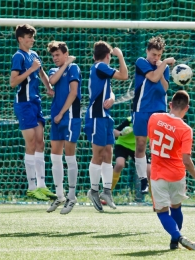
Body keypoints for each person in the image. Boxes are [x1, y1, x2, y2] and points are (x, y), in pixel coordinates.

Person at [148, 90, 195, 250]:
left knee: (161, 211)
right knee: (176, 207)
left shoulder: (154, 118)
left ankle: (178, 237)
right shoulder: (186, 129)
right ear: (186, 108)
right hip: (177, 175)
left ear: (170, 105)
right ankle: (174, 243)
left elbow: (151, 140)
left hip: (158, 174)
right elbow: (186, 160)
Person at [10, 24, 56, 201]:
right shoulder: (18, 56)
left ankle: (42, 186)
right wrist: (29, 70)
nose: (32, 39)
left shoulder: (34, 55)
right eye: (28, 37)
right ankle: (31, 187)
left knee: (40, 143)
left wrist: (49, 88)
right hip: (24, 104)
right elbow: (13, 82)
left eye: (32, 37)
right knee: (30, 143)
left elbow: (42, 73)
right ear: (20, 39)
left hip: (36, 103)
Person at [84, 41, 128, 212]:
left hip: (105, 117)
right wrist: (121, 55)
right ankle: (93, 191)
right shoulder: (100, 66)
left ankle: (107, 191)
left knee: (108, 152)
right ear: (108, 56)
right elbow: (124, 75)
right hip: (96, 117)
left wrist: (113, 97)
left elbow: (107, 89)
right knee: (98, 153)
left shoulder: (100, 70)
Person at [132, 36, 176, 194]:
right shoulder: (141, 62)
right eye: (153, 54)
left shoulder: (163, 67)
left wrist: (163, 67)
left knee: (159, 146)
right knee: (141, 144)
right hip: (141, 109)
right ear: (147, 52)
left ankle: (162, 180)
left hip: (158, 110)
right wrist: (164, 63)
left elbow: (164, 87)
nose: (155, 58)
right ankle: (143, 179)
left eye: (159, 55)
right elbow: (152, 77)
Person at [46, 41, 82, 214]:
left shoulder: (73, 68)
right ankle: (59, 195)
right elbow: (52, 80)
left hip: (70, 117)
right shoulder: (56, 70)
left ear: (65, 54)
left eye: (58, 55)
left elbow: (74, 92)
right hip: (57, 118)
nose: (55, 58)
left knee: (69, 156)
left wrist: (61, 113)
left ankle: (72, 196)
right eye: (53, 56)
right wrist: (65, 63)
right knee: (54, 156)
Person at [111, 116, 151, 193]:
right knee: (120, 164)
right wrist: (121, 133)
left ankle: (155, 201)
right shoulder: (131, 120)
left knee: (149, 171)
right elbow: (114, 132)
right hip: (123, 145)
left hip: (138, 148)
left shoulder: (153, 124)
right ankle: (107, 193)